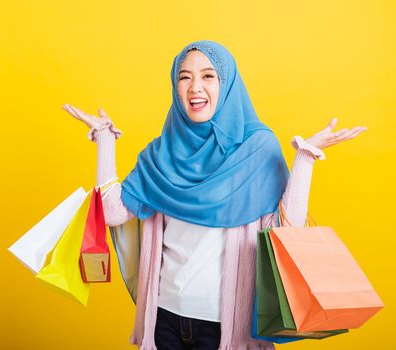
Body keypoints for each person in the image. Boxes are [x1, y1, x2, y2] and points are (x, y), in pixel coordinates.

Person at [62, 40, 366, 350]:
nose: (195, 87)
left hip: (226, 328)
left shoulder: (258, 148)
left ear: (227, 84)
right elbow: (112, 212)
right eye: (185, 77)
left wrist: (305, 158)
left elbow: (287, 232)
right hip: (163, 319)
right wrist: (104, 140)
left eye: (208, 76)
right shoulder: (160, 154)